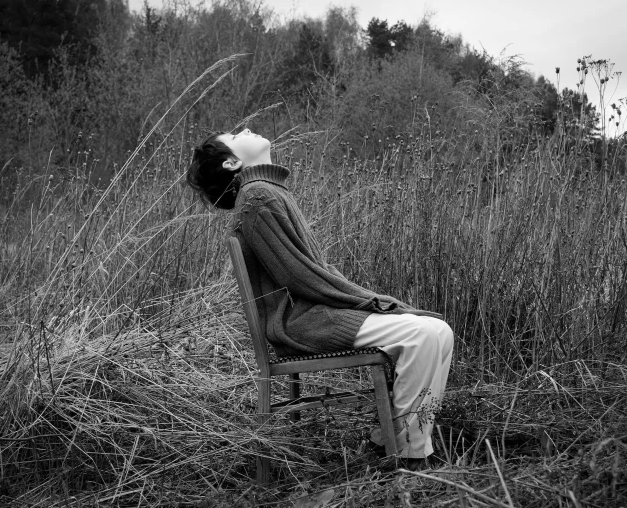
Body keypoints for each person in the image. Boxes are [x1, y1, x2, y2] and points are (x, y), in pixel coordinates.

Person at [186, 128, 454, 466]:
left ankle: (396, 440)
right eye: (237, 134)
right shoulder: (258, 198)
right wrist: (375, 302)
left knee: (436, 332)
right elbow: (302, 277)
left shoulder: (267, 192)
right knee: (424, 334)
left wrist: (374, 301)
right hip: (302, 321)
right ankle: (408, 452)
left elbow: (311, 271)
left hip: (315, 311)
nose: (247, 129)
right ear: (232, 162)